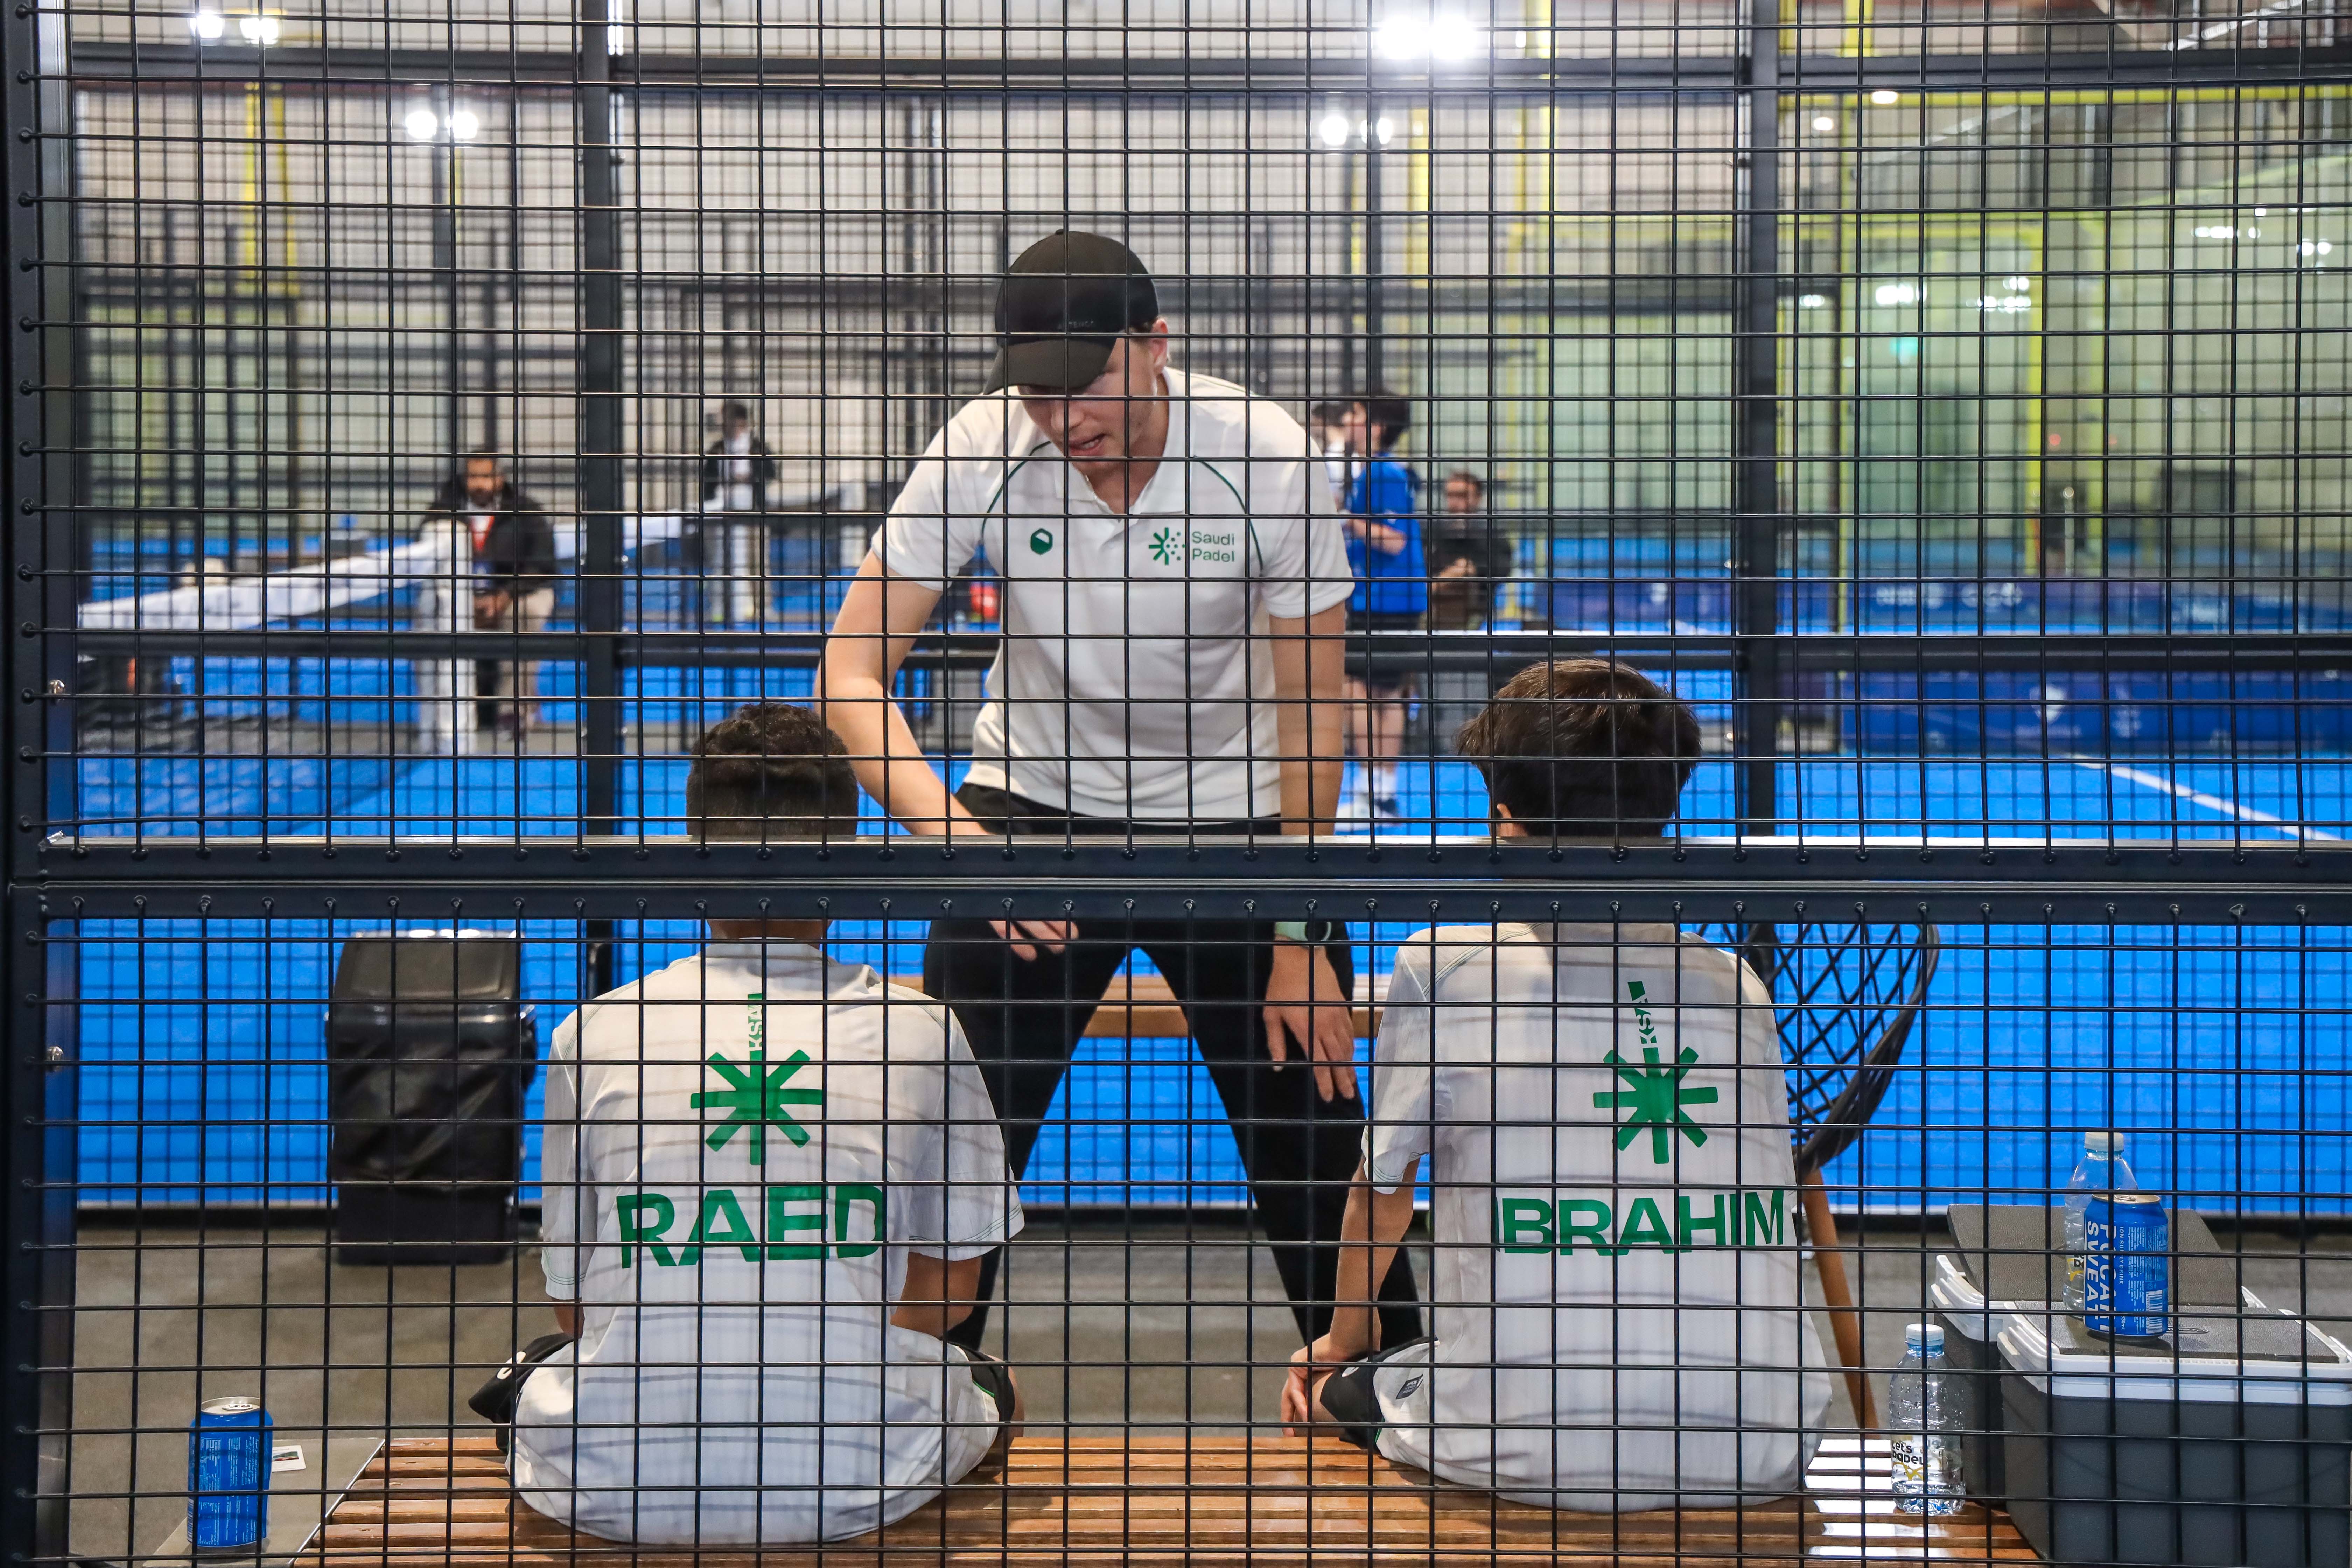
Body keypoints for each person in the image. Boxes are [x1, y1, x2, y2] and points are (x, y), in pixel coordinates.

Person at [817, 229, 1421, 1357]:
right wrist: (964, 846)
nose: (1061, 418)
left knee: (1319, 1131)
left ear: (1155, 345)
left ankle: (1376, 1394)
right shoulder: (981, 445)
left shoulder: (1267, 454)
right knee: (945, 1137)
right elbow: (849, 674)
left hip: (1243, 823)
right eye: (1036, 392)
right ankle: (910, 1404)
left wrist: (1300, 929)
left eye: (1084, 384)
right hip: (1029, 808)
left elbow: (1312, 708)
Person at [1284, 658, 1830, 1511]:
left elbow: (1381, 1192)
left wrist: (1343, 1342)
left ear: (1505, 817)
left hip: (1515, 1444)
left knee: (1330, 1390)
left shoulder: (1444, 965)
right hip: (1760, 1443)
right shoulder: (1736, 984)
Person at [500, 702, 1024, 1545]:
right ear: (846, 864)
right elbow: (948, 1300)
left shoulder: (594, 1031)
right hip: (857, 1479)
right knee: (994, 1386)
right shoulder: (924, 1031)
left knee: (541, 1365)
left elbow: (575, 1310)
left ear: (696, 862)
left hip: (610, 1485)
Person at [1338, 394, 1427, 825]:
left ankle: (1376, 794)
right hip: (1380, 597)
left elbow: (1393, 540)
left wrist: (1342, 517)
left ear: (1377, 426)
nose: (1346, 420)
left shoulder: (1383, 473)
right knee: (1376, 694)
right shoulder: (1375, 471)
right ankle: (1377, 794)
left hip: (1387, 600)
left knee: (1368, 692)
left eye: (1355, 413)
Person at [422, 452, 557, 736]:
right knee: (430, 615)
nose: (480, 484)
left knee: (525, 615)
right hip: (459, 594)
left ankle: (513, 712)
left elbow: (543, 564)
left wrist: (505, 595)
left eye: (486, 477)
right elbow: (425, 560)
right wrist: (463, 598)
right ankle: (442, 713)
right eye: (473, 477)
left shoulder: (527, 510)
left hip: (518, 593)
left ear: (500, 479)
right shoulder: (442, 510)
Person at [700, 400, 779, 627]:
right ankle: (719, 608)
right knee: (720, 563)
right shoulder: (717, 448)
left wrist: (750, 478)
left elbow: (770, 473)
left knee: (758, 563)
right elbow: (707, 480)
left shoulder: (757, 447)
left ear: (740, 422)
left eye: (727, 419)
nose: (723, 424)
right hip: (721, 513)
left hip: (753, 512)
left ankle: (763, 608)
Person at [1428, 470, 1504, 633]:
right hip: (1430, 610)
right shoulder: (1432, 532)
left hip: (1476, 612)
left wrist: (1467, 571)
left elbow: (1501, 570)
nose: (1455, 502)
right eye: (1450, 496)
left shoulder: (1492, 535)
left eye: (1462, 496)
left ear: (1478, 498)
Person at [1307, 400, 1351, 507]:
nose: (1311, 429)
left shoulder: (1335, 452)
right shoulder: (1344, 448)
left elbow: (1340, 492)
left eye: (1313, 423)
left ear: (1321, 421)